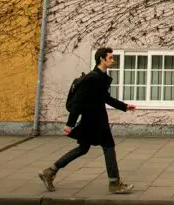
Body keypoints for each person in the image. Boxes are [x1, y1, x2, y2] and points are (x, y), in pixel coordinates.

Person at [39, 47, 136, 194]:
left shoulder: (101, 76)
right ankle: (114, 184)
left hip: (94, 119)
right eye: (110, 57)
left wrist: (125, 106)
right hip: (95, 121)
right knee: (109, 147)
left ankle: (50, 171)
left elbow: (106, 98)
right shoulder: (92, 78)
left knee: (83, 149)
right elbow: (77, 101)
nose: (112, 60)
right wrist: (70, 124)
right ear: (102, 59)